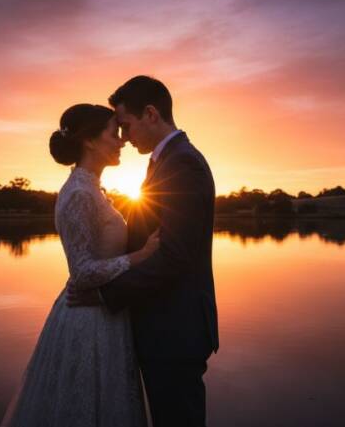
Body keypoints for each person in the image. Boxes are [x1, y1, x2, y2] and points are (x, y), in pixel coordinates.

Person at [68, 76, 219, 427]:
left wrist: (105, 294)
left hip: (175, 331)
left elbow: (174, 257)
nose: (123, 137)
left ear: (150, 114)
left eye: (126, 125)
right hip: (164, 327)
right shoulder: (166, 161)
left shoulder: (182, 164)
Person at [1, 103, 158, 427]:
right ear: (90, 141)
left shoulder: (90, 189)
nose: (122, 141)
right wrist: (140, 257)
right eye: (114, 133)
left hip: (104, 314)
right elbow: (82, 271)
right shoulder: (79, 194)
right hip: (87, 321)